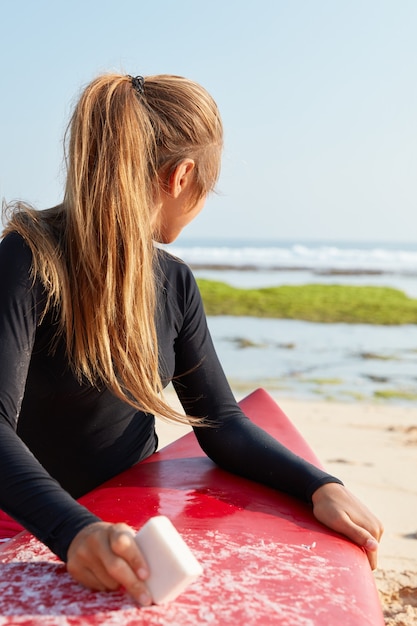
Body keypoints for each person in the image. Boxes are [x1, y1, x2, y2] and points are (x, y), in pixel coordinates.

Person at [0, 72, 383, 607]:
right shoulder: (26, 257)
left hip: (131, 516)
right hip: (30, 519)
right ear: (181, 177)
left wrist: (318, 485)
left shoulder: (173, 281)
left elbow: (221, 423)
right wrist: (75, 531)